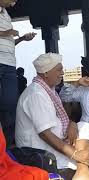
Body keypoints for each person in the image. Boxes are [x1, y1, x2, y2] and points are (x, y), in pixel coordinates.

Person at [15, 53, 89, 180]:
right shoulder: (36, 94)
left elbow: (61, 114)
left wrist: (71, 123)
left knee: (84, 127)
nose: (62, 73)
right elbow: (45, 134)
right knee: (84, 155)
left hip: (54, 138)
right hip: (37, 149)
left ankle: (82, 168)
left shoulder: (49, 90)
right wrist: (75, 154)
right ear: (46, 73)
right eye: (59, 70)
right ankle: (82, 169)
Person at [0, 0, 36, 146]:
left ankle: (6, 147)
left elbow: (8, 42)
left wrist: (21, 39)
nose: (14, 4)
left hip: (9, 64)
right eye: (13, 0)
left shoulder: (6, 15)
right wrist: (5, 33)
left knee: (10, 105)